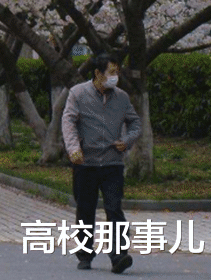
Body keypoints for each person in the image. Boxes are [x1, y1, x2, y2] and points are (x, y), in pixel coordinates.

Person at [62, 53, 141, 274]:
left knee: (114, 208)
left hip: (112, 163)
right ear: (98, 73)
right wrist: (73, 149)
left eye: (117, 72)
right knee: (85, 210)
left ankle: (119, 256)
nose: (116, 76)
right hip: (85, 164)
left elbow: (135, 124)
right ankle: (85, 254)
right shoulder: (78, 93)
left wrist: (126, 141)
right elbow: (68, 121)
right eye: (112, 72)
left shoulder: (122, 98)